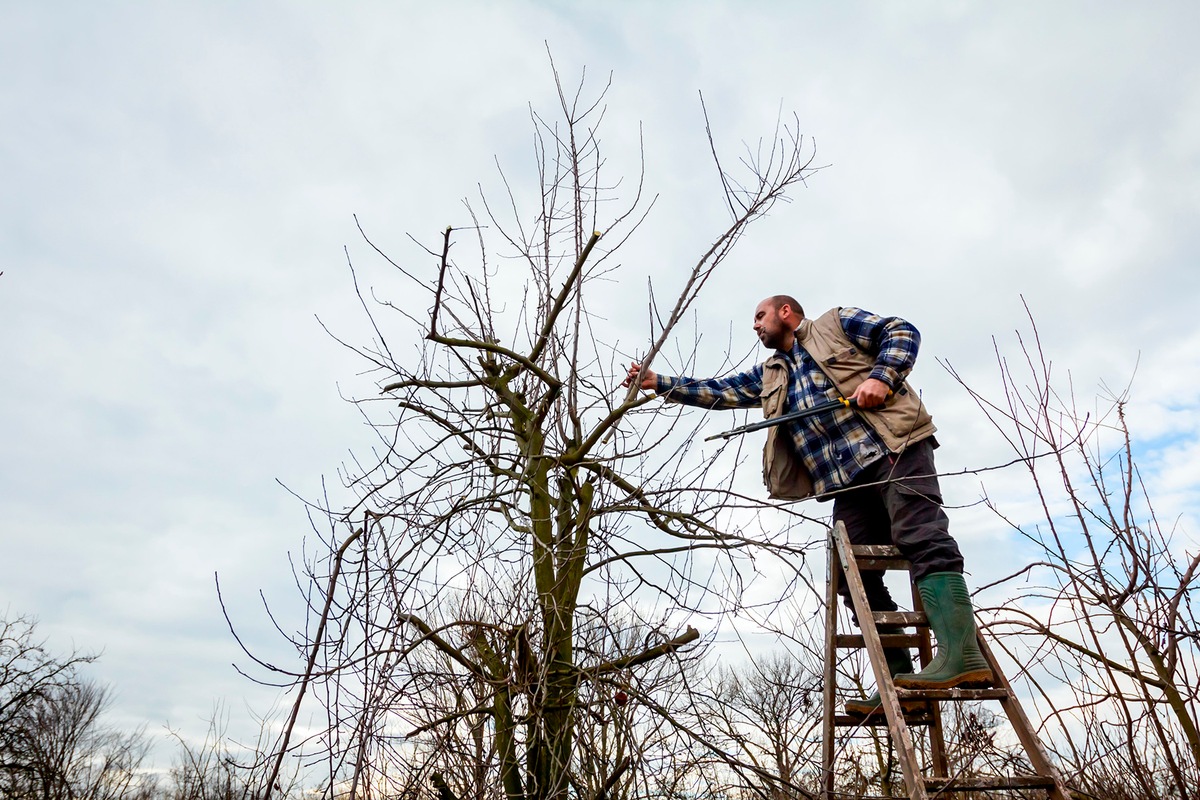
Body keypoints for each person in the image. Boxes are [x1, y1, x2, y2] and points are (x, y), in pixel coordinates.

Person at [623, 296, 993, 716]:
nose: (755, 326)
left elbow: (902, 331)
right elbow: (723, 391)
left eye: (759, 316)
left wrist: (882, 378)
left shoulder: (836, 324)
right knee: (848, 574)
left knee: (922, 537)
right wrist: (661, 382)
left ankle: (962, 656)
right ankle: (899, 686)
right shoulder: (772, 374)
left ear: (785, 312)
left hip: (893, 449)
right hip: (847, 482)